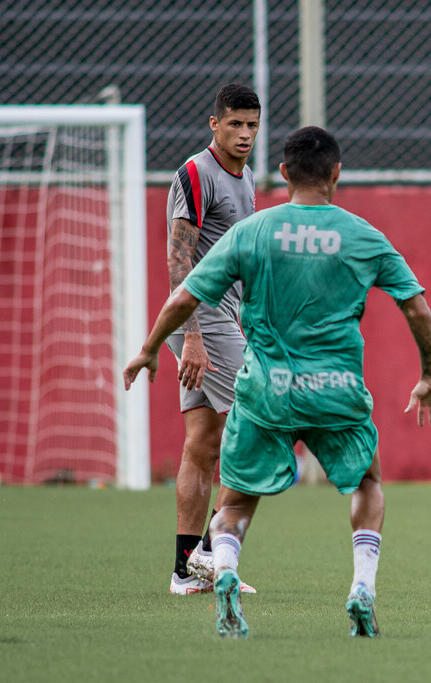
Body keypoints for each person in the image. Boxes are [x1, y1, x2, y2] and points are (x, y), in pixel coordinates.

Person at [124, 126, 431, 639]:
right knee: (367, 482)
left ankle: (226, 570)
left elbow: (186, 297)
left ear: (282, 174)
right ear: (336, 174)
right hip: (336, 390)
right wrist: (430, 373)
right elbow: (416, 305)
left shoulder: (252, 232)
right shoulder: (360, 234)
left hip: (266, 390)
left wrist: (149, 348)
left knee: (234, 501)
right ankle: (362, 586)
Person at [164, 83, 261, 595]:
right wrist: (193, 336)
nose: (244, 134)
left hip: (226, 317)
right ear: (214, 124)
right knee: (262, 428)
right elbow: (179, 261)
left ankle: (185, 572)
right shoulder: (196, 173)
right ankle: (210, 551)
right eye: (235, 124)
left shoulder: (245, 179)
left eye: (252, 124)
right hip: (202, 317)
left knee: (202, 443)